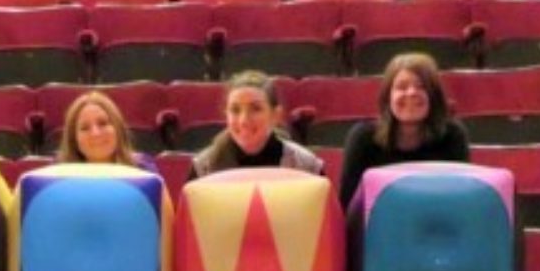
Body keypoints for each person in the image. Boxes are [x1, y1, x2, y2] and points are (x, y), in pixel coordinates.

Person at [338, 52, 470, 207]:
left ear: (434, 97)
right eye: (401, 87)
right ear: (388, 97)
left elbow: (460, 201)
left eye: (421, 86)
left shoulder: (453, 136)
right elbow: (347, 208)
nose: (411, 92)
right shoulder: (363, 138)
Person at [189, 70, 323, 179]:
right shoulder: (203, 168)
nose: (244, 121)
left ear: (275, 115)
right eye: (235, 110)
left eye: (255, 109)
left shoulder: (307, 166)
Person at [56, 90, 157, 172]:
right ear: (74, 138)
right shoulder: (57, 176)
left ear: (117, 128)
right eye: (85, 128)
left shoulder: (142, 169)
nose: (95, 133)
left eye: (103, 123)